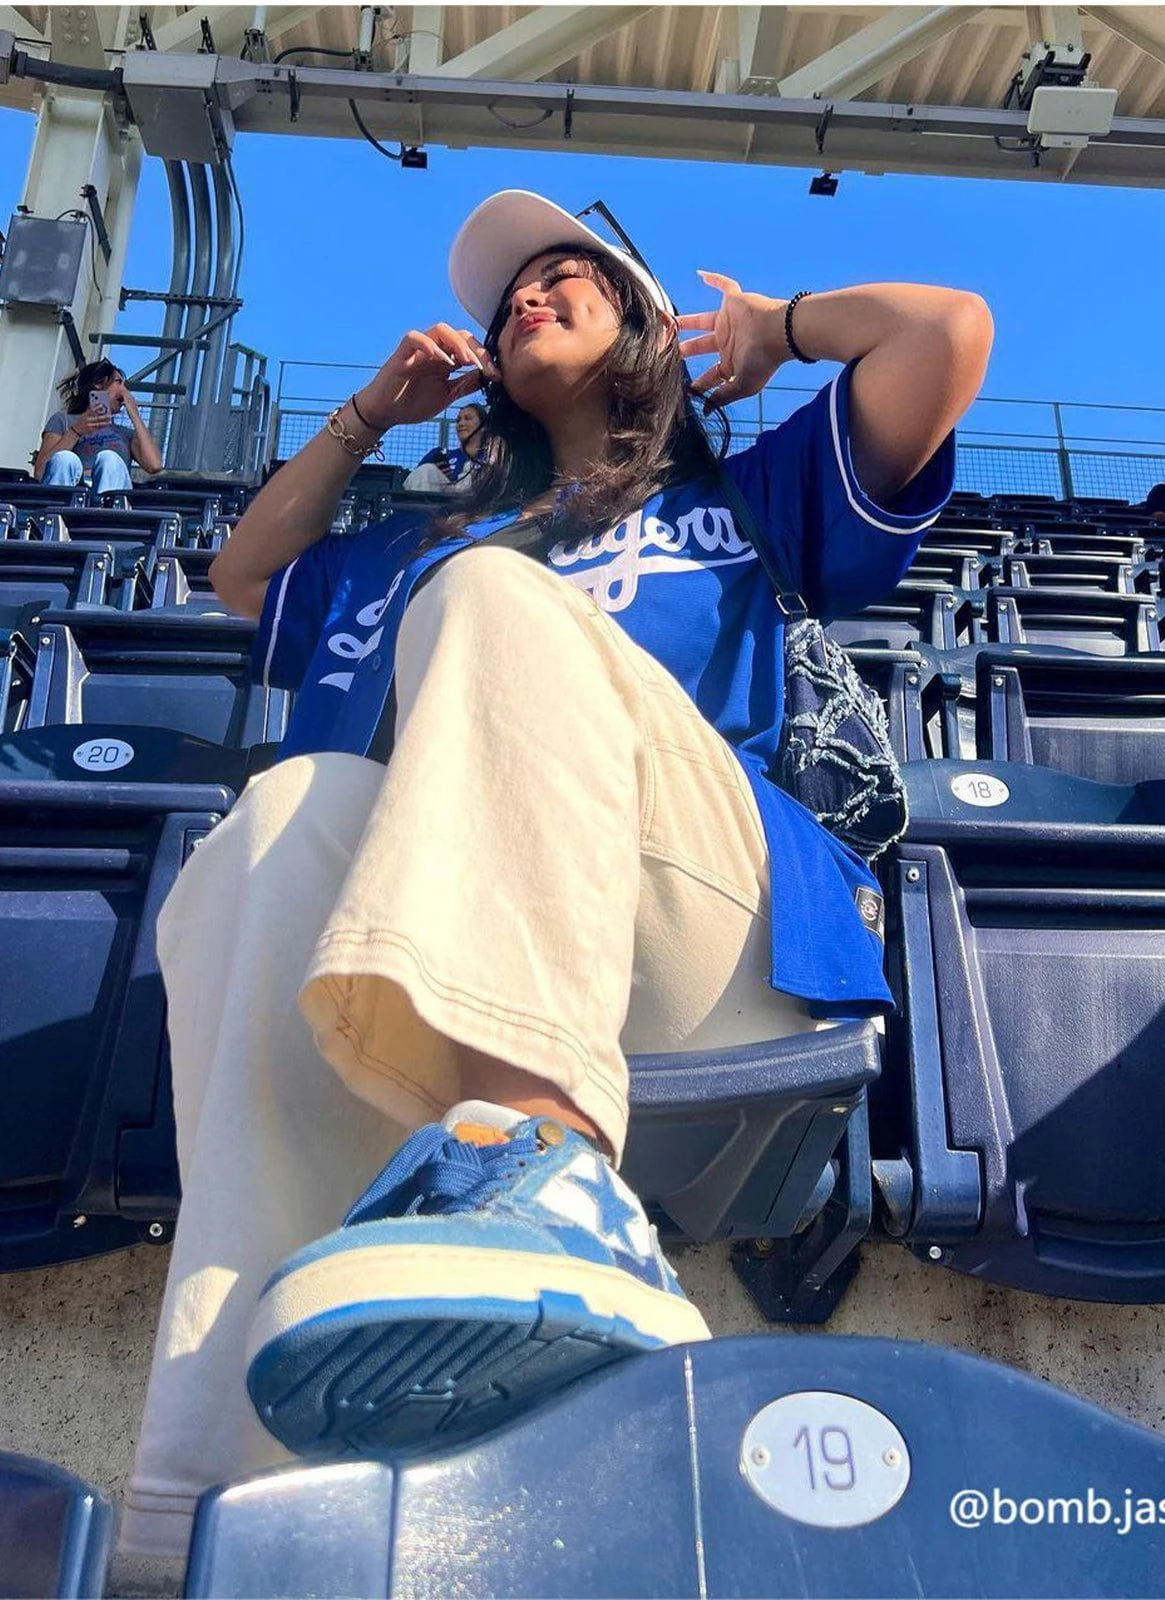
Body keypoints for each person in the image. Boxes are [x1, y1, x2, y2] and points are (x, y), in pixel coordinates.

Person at [120, 189, 991, 1564]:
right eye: (508, 294)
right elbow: (241, 577)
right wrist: (370, 416)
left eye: (568, 273)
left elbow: (946, 334)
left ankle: (550, 1170)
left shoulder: (742, 496)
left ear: (645, 322)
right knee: (283, 812)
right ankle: (220, 1509)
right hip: (448, 970)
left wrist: (779, 328)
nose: (526, 293)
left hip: (715, 957)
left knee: (494, 597)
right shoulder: (420, 546)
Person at [33, 358, 163, 501]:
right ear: (99, 383)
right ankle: (57, 509)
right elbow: (40, 472)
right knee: (64, 458)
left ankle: (106, 512)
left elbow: (154, 465)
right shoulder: (62, 420)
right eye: (118, 382)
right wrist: (75, 431)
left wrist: (135, 416)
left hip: (111, 492)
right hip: (74, 491)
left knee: (109, 458)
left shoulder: (124, 433)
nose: (124, 391)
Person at [404, 400, 489, 492]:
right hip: (443, 498)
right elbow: (415, 479)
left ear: (483, 426)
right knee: (426, 470)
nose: (461, 424)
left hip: (479, 498)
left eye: (468, 418)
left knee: (471, 467)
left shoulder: (492, 456)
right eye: (458, 420)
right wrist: (435, 475)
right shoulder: (440, 454)